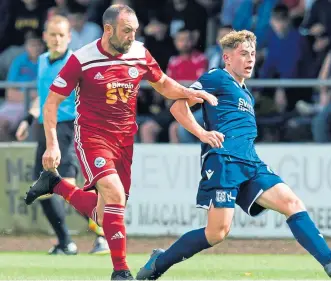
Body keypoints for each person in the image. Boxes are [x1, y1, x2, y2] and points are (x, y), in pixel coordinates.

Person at [136, 30, 331, 280]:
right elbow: (178, 106)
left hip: (251, 163)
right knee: (217, 233)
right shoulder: (216, 77)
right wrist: (202, 134)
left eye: (253, 54)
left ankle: (330, 261)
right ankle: (159, 262)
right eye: (243, 54)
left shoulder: (246, 93)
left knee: (292, 203)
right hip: (224, 161)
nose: (250, 59)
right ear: (226, 57)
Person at [24, 4, 217, 281]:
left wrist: (188, 92)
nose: (132, 36)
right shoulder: (82, 58)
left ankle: (55, 184)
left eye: (135, 31)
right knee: (113, 195)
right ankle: (121, 271)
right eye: (127, 31)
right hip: (92, 136)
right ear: (108, 29)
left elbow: (162, 83)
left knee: (106, 214)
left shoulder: (139, 53)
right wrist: (52, 144)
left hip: (125, 140)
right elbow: (51, 103)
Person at [16, 15, 110, 255]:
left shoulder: (76, 62)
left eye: (61, 35)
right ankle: (65, 242)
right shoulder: (43, 61)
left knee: (67, 187)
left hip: (70, 128)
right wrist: (28, 119)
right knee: (44, 189)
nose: (57, 39)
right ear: (45, 37)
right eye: (52, 34)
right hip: (46, 128)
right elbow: (44, 96)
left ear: (69, 37)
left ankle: (103, 234)